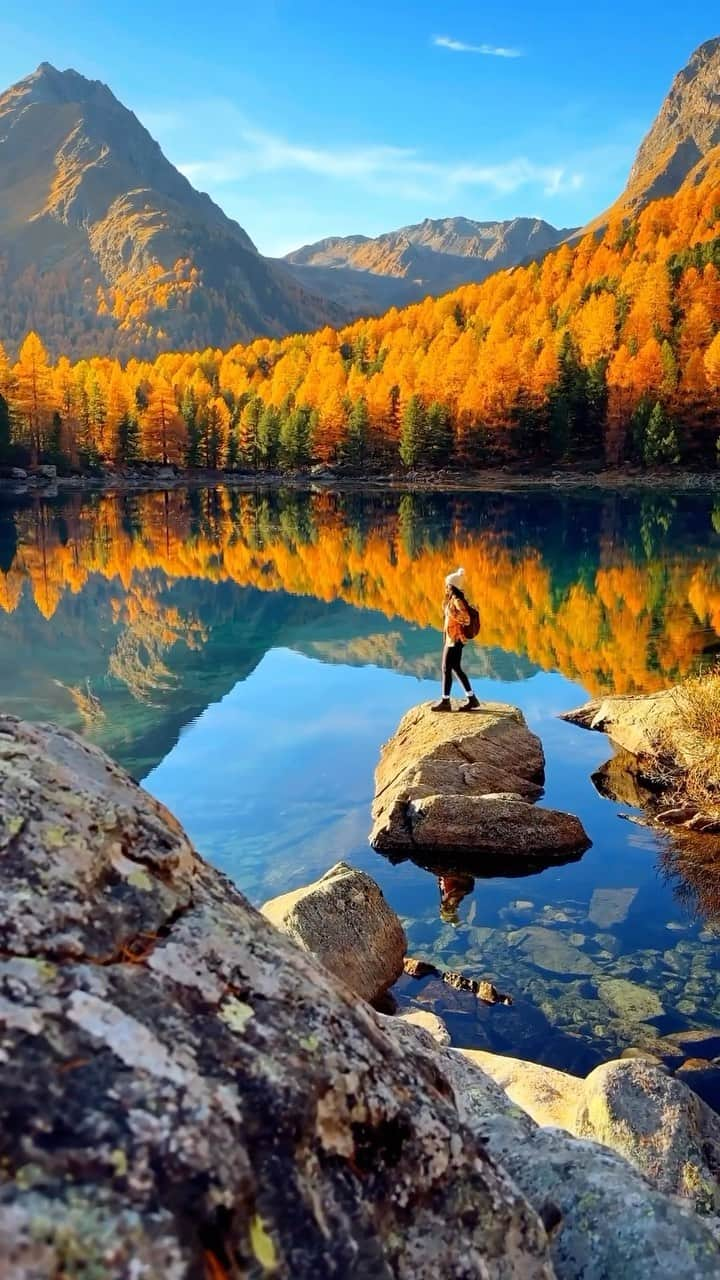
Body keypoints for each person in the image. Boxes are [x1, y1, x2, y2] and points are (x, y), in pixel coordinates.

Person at [432, 567, 480, 712]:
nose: (445, 587)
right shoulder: (452, 599)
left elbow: (466, 619)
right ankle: (472, 699)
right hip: (452, 639)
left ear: (453, 586)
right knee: (455, 668)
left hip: (455, 639)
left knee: (446, 668)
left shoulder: (458, 601)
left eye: (447, 585)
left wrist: (452, 613)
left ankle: (446, 701)